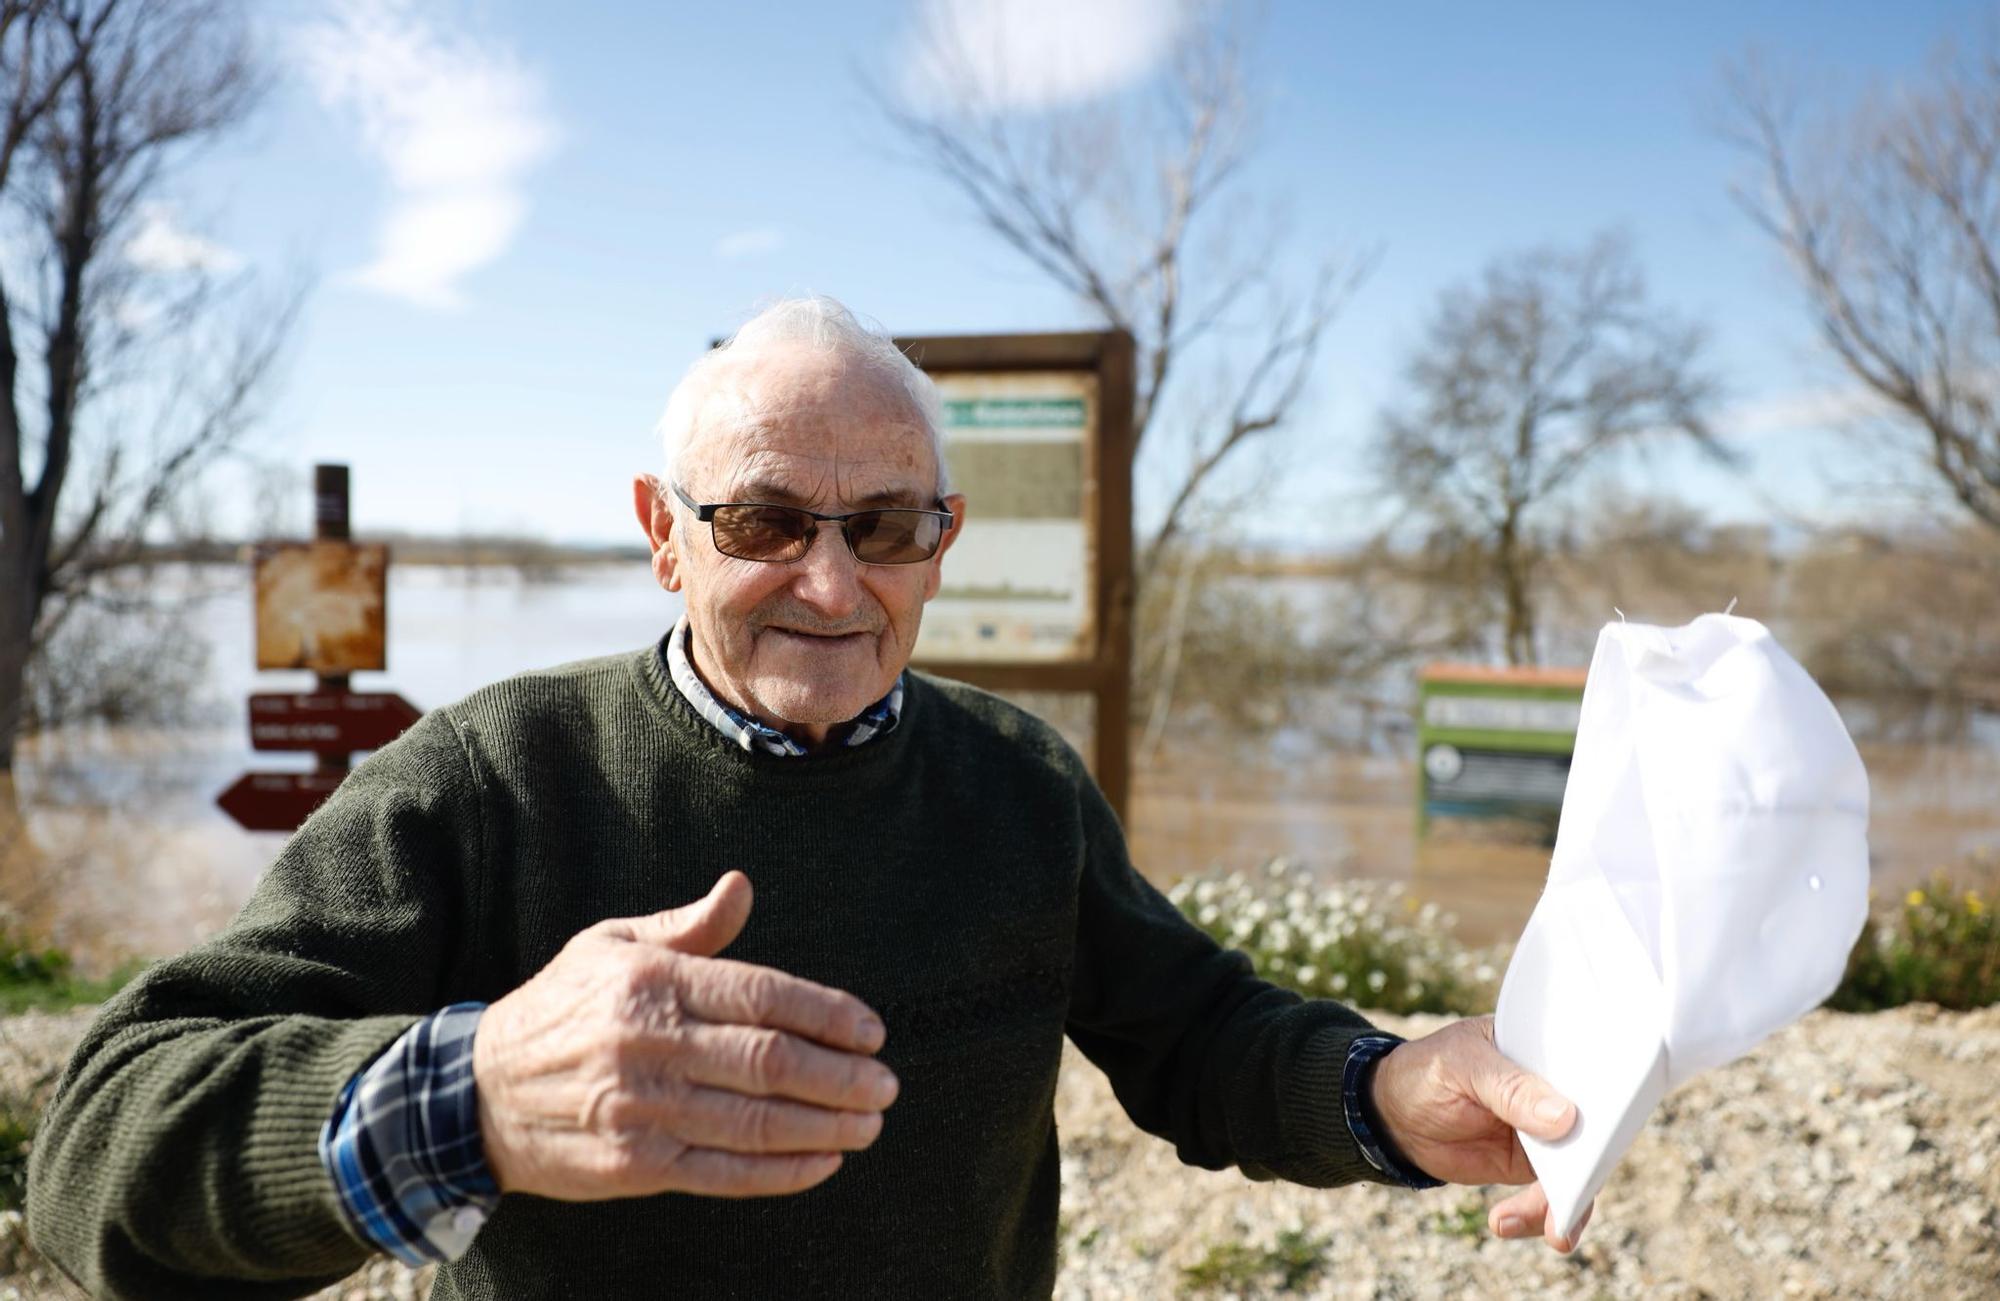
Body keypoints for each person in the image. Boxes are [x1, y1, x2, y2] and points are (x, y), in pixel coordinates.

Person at [26, 297, 1591, 1299]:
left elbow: (1198, 1039)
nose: (834, 584)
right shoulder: (497, 777)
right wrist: (482, 1087)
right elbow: (98, 1153)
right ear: (663, 530)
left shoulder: (1016, 780)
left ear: (944, 533)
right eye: (769, 517)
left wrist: (1387, 1089)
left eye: (889, 523)